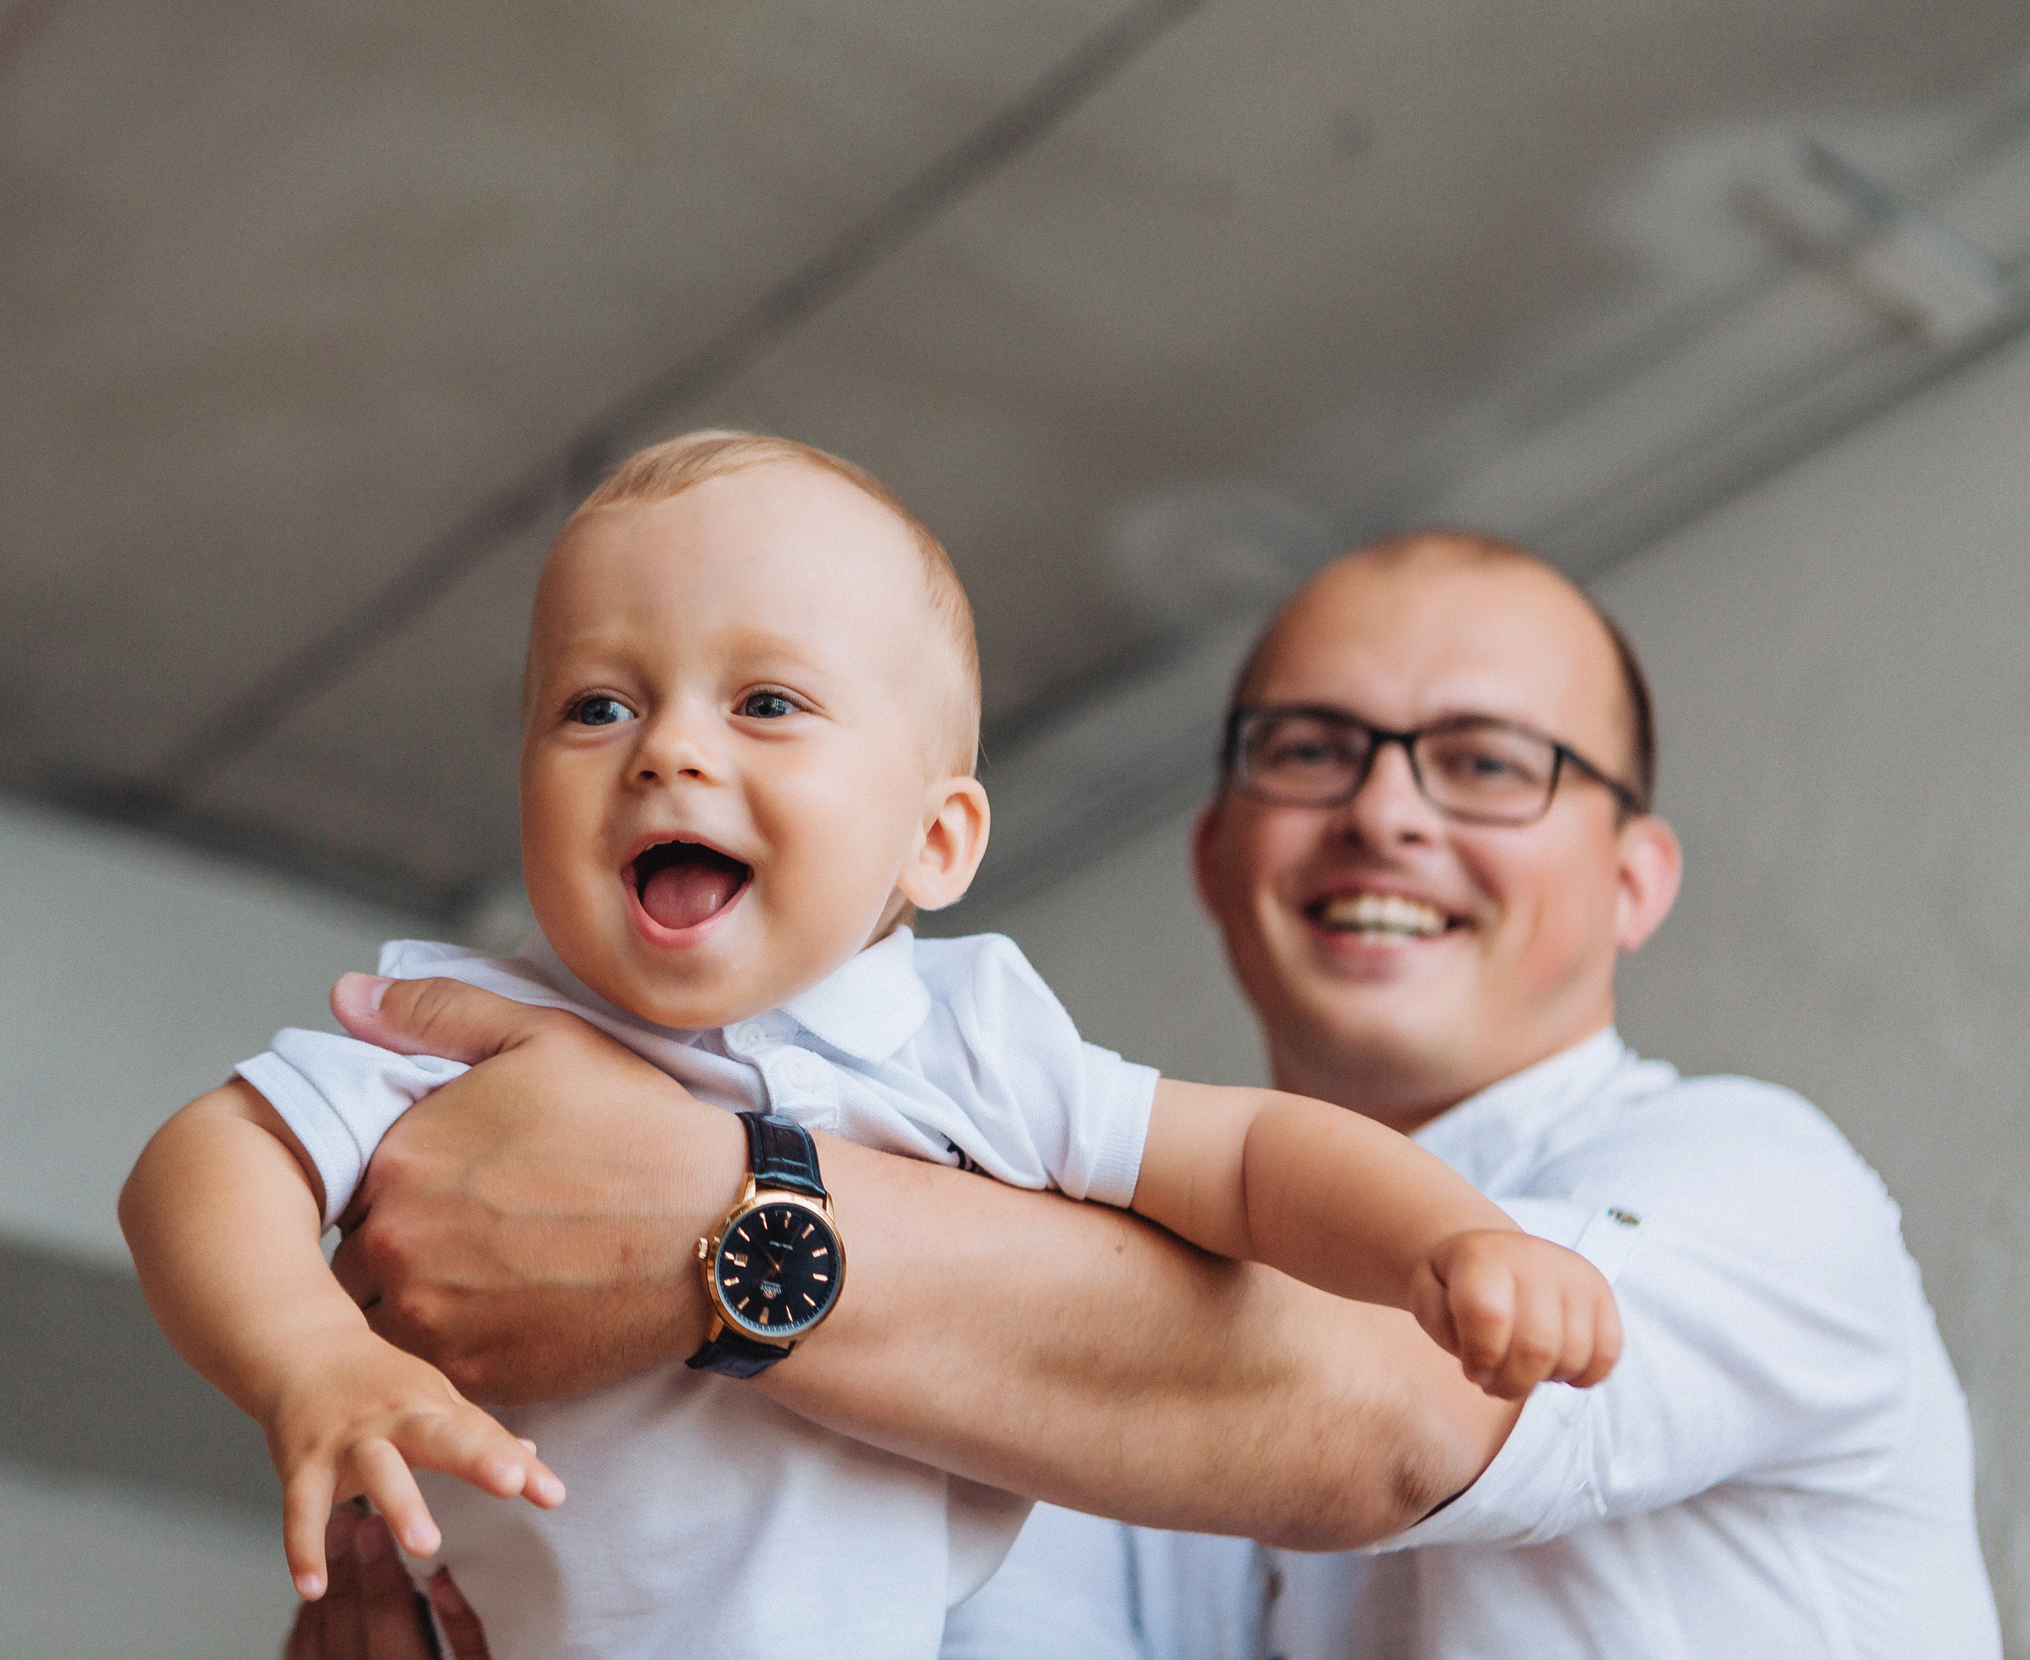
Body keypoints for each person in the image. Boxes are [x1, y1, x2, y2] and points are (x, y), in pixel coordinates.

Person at [289, 529, 1998, 1658]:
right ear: (1219, 853)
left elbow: (1404, 1416)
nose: (1385, 814)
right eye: (1311, 751)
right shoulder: (1039, 1297)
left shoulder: (1769, 1182)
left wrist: (718, 1220)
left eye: (1488, 763)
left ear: (1634, 880)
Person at [120, 437, 1620, 1660]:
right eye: (596, 705)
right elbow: (211, 1157)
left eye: (767, 702)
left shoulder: (965, 1042)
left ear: (936, 838)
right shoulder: (469, 1033)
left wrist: (1447, 1241)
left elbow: (1241, 1158)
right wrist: (310, 1359)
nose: (668, 749)